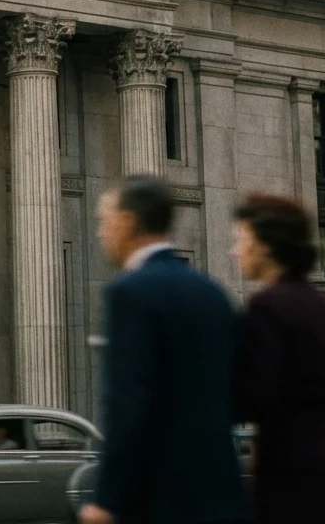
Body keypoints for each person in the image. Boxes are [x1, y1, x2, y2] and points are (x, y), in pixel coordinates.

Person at [80, 175, 249, 524]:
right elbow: (237, 392)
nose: (100, 233)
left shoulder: (129, 292)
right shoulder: (211, 292)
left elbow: (127, 404)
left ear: (128, 222)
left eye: (104, 221)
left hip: (158, 497)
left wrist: (107, 499)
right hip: (220, 490)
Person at [232, 194, 325, 524]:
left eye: (242, 239)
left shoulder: (268, 307)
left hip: (293, 476)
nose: (235, 251)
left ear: (265, 246)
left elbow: (252, 395)